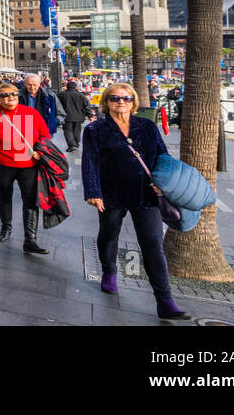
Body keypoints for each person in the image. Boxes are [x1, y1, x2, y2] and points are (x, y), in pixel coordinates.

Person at [83, 83, 188, 320]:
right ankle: (109, 271)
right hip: (111, 193)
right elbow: (90, 162)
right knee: (109, 234)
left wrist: (164, 183)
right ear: (106, 102)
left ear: (134, 102)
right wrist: (93, 192)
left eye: (127, 98)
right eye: (115, 98)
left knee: (152, 245)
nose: (121, 102)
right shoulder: (95, 129)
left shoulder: (147, 127)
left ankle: (165, 300)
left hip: (146, 194)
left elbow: (163, 156)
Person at [0, 83, 50, 254]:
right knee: (4, 196)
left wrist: (40, 151)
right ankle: (6, 228)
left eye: (14, 94)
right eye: (5, 95)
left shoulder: (31, 113)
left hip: (29, 165)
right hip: (2, 165)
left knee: (31, 200)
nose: (10, 97)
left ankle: (30, 239)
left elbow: (45, 135)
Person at [58, 79, 93, 152]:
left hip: (66, 116)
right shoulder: (81, 95)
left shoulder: (61, 94)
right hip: (79, 117)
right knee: (77, 130)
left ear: (67, 86)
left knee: (68, 130)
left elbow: (57, 105)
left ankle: (71, 145)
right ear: (75, 87)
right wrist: (89, 115)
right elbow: (86, 106)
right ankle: (76, 143)